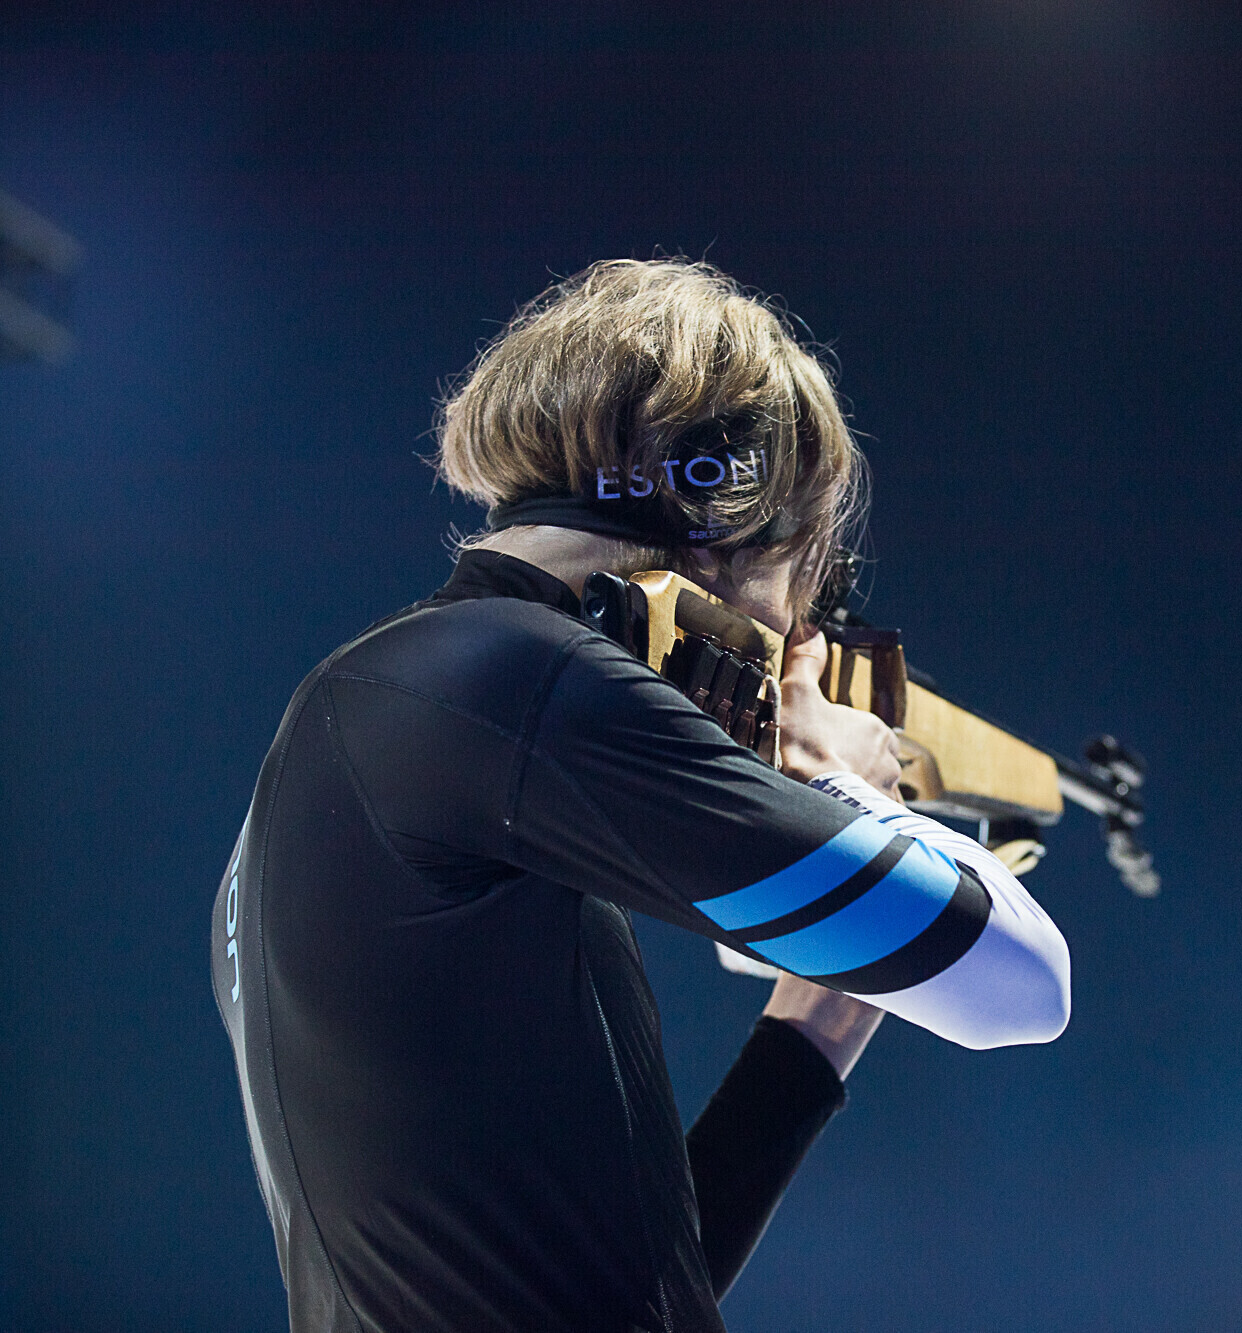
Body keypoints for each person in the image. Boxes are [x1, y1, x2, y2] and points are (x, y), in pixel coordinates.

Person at [209, 259, 1071, 1333]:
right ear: (735, 505)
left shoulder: (380, 719)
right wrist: (845, 782)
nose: (783, 634)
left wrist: (820, 1018)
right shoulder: (516, 675)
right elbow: (1020, 985)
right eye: (797, 582)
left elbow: (631, 1284)